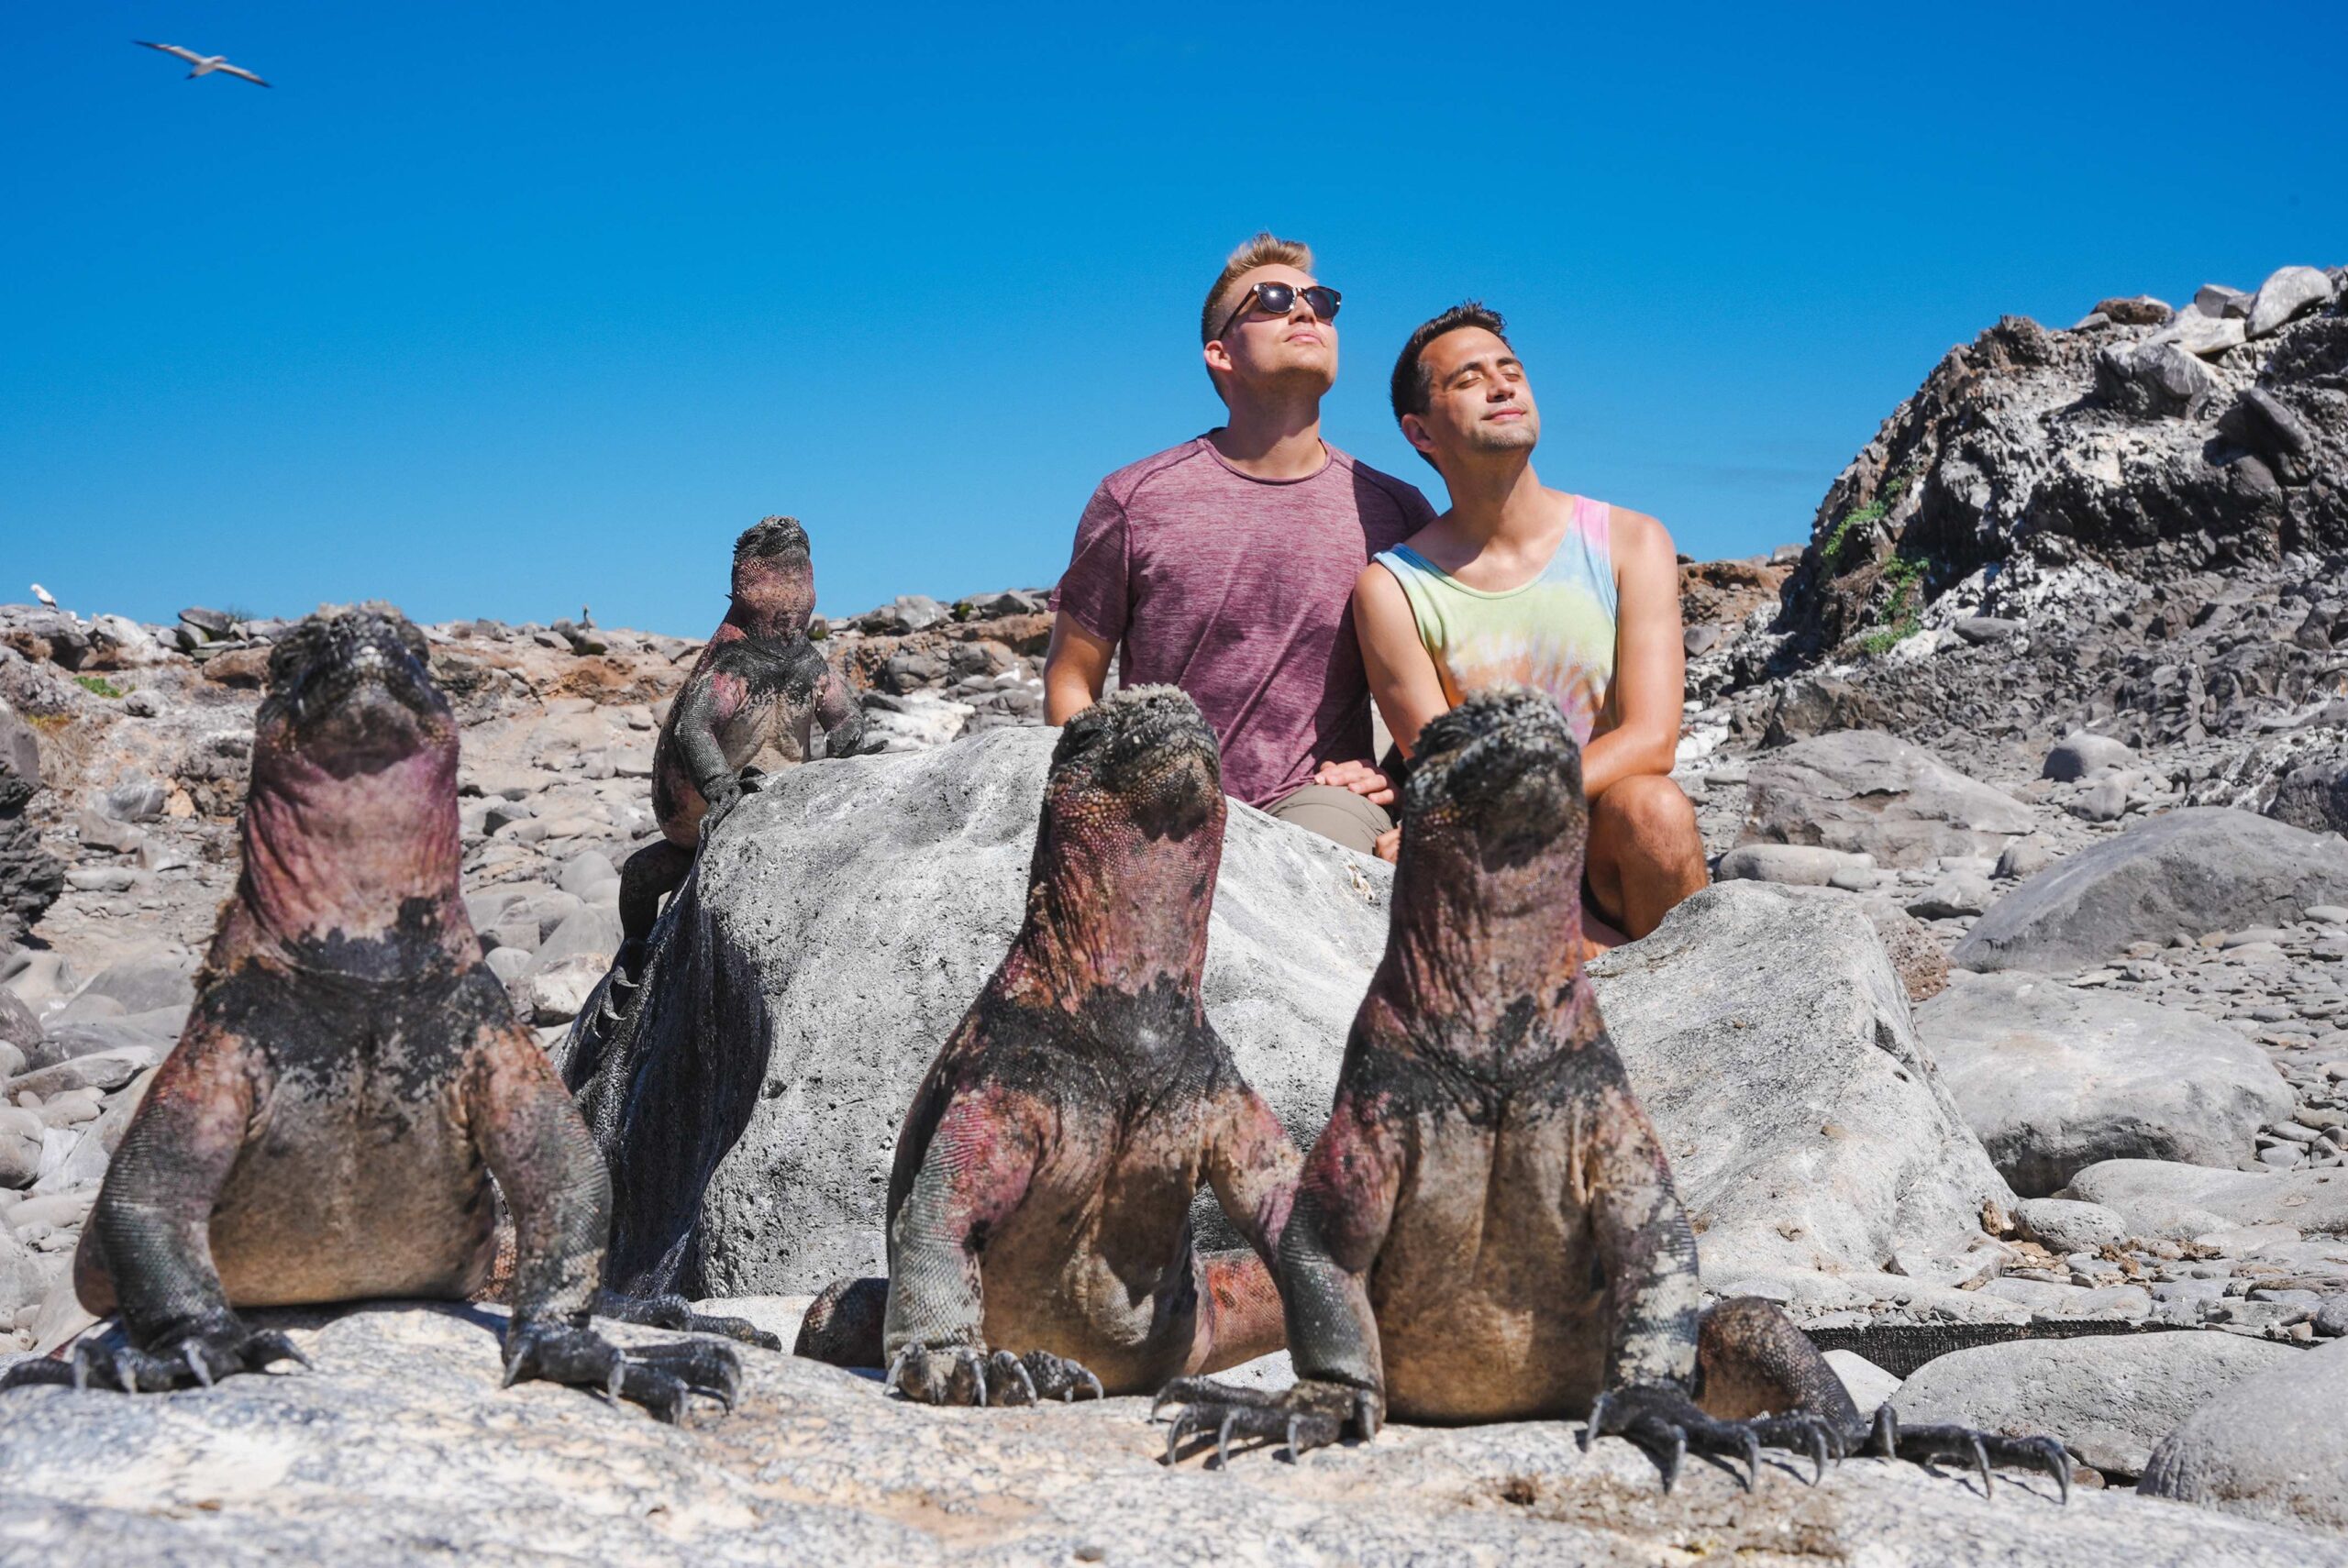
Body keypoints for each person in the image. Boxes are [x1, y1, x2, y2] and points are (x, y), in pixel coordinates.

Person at [1322, 302, 1706, 945]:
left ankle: (1696, 991)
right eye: (1469, 379)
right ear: (1420, 433)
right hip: (1496, 861)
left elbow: (1651, 739)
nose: (1502, 386)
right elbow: (1446, 765)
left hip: (1604, 842)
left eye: (1511, 371)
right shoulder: (1393, 588)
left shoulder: (1630, 542)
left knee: (1655, 808)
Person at [1042, 234, 1436, 854]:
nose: (1305, 311)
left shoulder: (1396, 510)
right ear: (1220, 353)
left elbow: (1449, 679)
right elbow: (1071, 677)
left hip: (1318, 800)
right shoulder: (1134, 497)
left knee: (1319, 857)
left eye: (1321, 302)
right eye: (1274, 299)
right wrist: (1104, 790)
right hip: (1162, 798)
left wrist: (1398, 779)